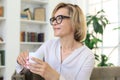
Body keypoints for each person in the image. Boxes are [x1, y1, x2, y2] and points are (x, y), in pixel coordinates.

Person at [16, 2, 95, 80]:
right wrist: (21, 61)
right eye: (53, 19)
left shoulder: (87, 56)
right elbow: (29, 65)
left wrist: (56, 77)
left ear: (74, 21)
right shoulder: (49, 45)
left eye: (59, 18)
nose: (54, 23)